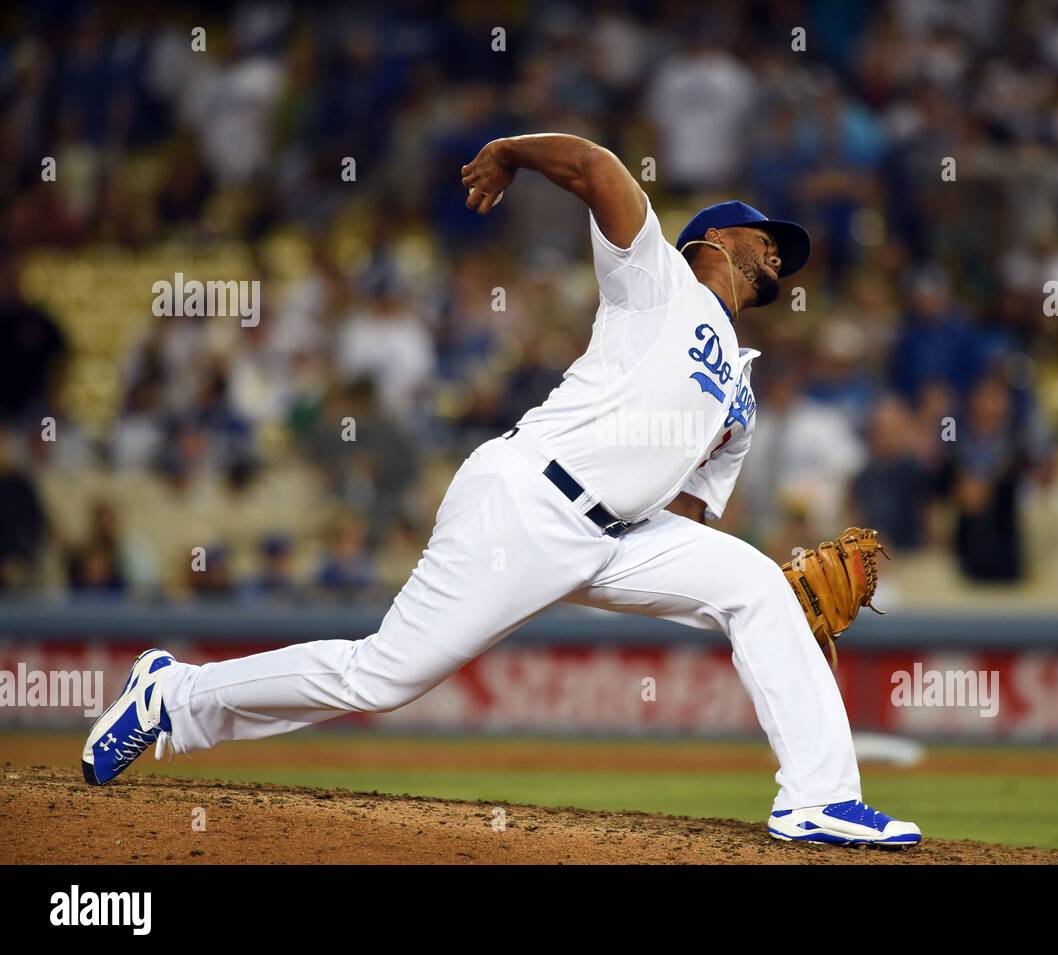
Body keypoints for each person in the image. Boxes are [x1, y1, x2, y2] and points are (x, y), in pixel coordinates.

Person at [82, 134, 920, 848]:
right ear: (714, 239)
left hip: (617, 536)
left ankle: (815, 797)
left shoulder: (740, 390)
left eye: (786, 250)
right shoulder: (658, 280)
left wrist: (743, 587)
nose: (779, 251)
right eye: (765, 236)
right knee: (383, 676)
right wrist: (510, 152)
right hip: (524, 502)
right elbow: (597, 168)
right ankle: (173, 693)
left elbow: (689, 518)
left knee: (755, 586)